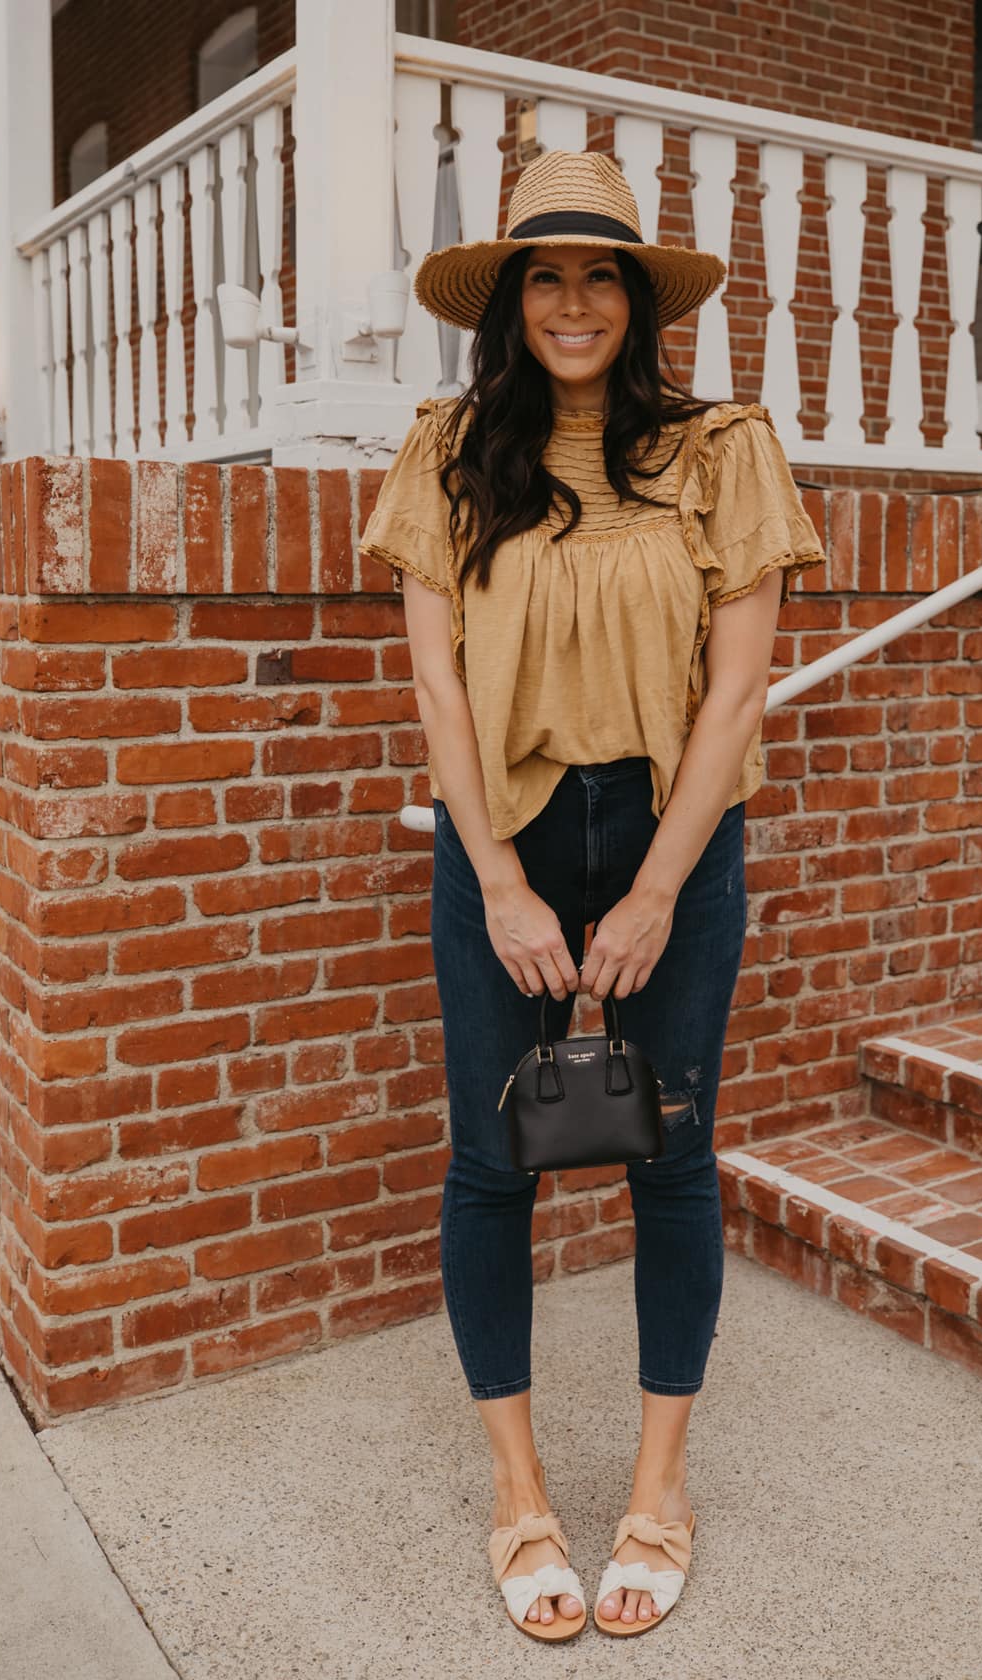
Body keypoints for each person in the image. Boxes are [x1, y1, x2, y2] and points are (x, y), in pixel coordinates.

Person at [357, 149, 826, 1642]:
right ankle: (519, 1496)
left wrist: (655, 892)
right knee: (491, 1162)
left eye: (600, 273)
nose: (574, 302)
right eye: (545, 276)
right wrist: (497, 879)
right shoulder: (445, 449)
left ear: (636, 297)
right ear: (508, 303)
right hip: (500, 831)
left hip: (672, 834)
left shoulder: (721, 450)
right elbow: (435, 681)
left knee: (670, 1156)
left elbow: (739, 688)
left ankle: (658, 1488)